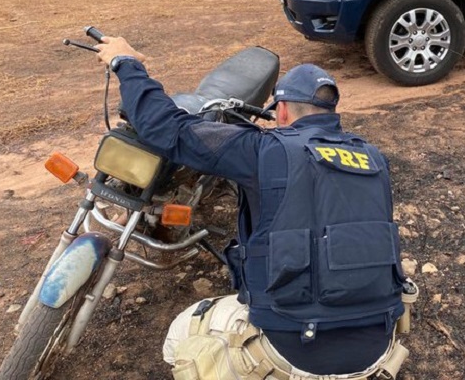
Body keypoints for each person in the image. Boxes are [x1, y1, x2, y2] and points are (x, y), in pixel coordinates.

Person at [96, 37, 415, 380]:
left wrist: (125, 63)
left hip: (292, 353)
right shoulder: (373, 158)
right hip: (377, 351)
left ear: (281, 111)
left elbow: (166, 127)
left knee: (178, 337)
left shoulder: (264, 151)